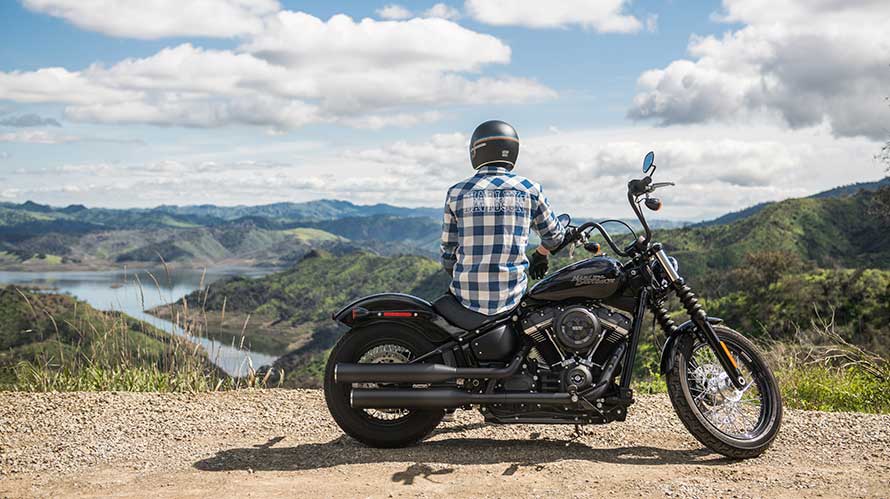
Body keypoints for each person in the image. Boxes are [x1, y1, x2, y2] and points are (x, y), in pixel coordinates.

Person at [440, 120, 568, 316]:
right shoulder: (530, 190)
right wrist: (540, 254)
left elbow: (449, 253)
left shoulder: (457, 192)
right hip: (513, 300)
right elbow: (555, 237)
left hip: (464, 299)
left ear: (476, 150)